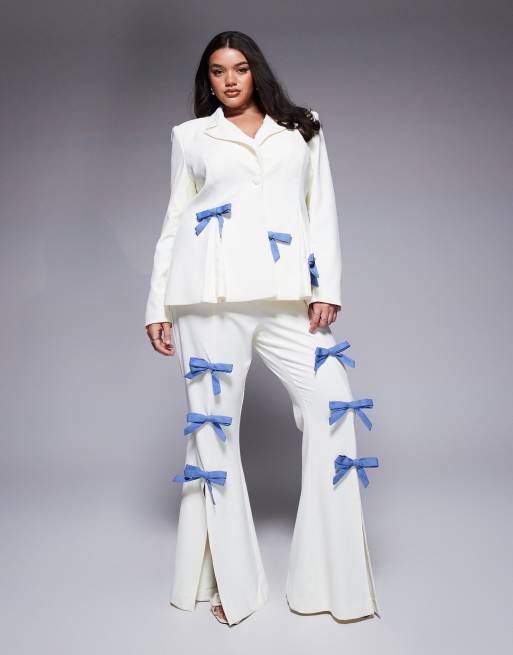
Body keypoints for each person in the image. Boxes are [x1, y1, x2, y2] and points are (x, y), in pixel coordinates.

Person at [144, 30, 381, 626]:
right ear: (208, 78)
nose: (229, 80)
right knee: (214, 431)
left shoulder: (302, 127)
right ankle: (234, 586)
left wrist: (327, 288)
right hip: (208, 295)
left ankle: (331, 580)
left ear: (257, 72)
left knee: (333, 403)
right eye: (217, 70)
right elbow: (175, 219)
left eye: (240, 68)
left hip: (284, 292)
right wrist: (156, 306)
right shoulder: (191, 136)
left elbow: (321, 207)